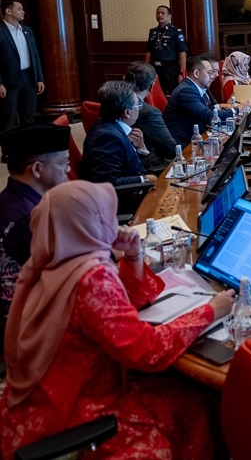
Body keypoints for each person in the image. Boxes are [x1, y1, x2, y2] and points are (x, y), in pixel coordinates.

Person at [0, 180, 235, 458]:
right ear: (87, 223)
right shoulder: (90, 278)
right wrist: (211, 311)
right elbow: (146, 350)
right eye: (104, 215)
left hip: (35, 407)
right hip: (76, 416)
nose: (113, 221)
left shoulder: (49, 261)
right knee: (201, 406)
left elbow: (111, 313)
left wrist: (133, 256)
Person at [0, 124, 70, 321]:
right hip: (30, 319)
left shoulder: (15, 199)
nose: (69, 169)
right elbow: (63, 267)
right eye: (64, 163)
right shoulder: (26, 216)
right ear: (38, 169)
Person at [80, 81, 157, 187]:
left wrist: (139, 149)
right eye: (137, 105)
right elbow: (107, 183)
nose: (139, 108)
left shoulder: (111, 126)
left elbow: (130, 165)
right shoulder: (107, 138)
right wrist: (143, 179)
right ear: (127, 112)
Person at [163, 55, 238, 147]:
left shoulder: (196, 87)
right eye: (209, 72)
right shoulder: (186, 91)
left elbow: (210, 109)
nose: (212, 76)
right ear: (196, 73)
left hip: (197, 136)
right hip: (184, 144)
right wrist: (236, 110)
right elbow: (209, 116)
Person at [0, 0, 45, 136]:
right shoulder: (1, 32)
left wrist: (39, 78)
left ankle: (28, 152)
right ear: (8, 11)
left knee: (29, 118)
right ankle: (8, 154)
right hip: (8, 82)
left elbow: (35, 56)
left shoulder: (27, 31)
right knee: (8, 119)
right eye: (19, 9)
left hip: (29, 79)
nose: (23, 11)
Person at [123, 62, 177, 169]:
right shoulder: (149, 112)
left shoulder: (112, 102)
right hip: (145, 165)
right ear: (152, 86)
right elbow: (170, 150)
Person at [143, 5, 187, 94]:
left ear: (169, 16)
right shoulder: (153, 32)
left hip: (170, 68)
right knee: (155, 93)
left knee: (174, 93)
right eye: (158, 13)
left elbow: (182, 52)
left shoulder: (175, 31)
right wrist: (145, 69)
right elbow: (149, 52)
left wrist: (182, 73)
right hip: (155, 68)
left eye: (163, 13)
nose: (160, 15)